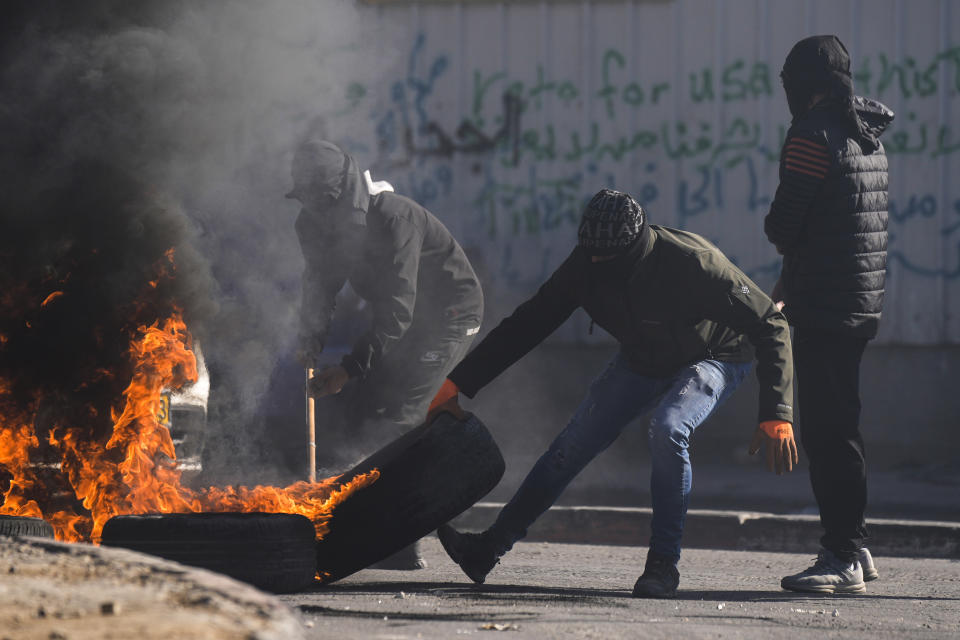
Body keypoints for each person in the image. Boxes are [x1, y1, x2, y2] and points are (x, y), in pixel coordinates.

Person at [430, 189, 797, 598]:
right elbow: (529, 323)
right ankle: (487, 550)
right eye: (592, 258)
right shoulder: (587, 262)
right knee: (570, 446)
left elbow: (770, 323)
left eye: (610, 262)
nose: (598, 267)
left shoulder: (692, 262)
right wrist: (459, 383)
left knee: (668, 427)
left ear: (633, 248)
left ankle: (662, 567)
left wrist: (777, 411)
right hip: (644, 358)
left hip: (716, 354)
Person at [289, 139, 483, 567]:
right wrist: (311, 339)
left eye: (319, 200)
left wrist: (349, 368)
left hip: (446, 316)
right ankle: (370, 522)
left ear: (338, 193)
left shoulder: (393, 218)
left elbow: (398, 308)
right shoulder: (313, 224)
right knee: (367, 410)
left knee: (399, 419)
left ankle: (400, 542)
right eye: (305, 199)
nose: (313, 211)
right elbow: (319, 285)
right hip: (402, 321)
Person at [765, 35, 893, 594]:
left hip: (822, 306)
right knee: (842, 427)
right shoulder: (867, 136)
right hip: (857, 301)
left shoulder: (811, 136)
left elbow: (783, 224)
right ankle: (856, 546)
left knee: (827, 432)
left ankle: (841, 555)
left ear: (805, 86)